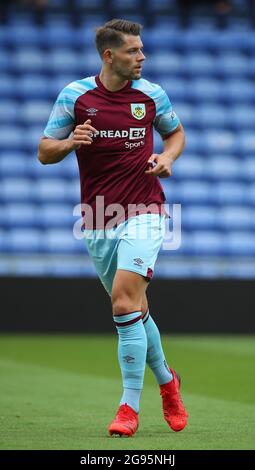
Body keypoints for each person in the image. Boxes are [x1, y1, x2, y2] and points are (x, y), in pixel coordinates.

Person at [38, 18, 188, 437]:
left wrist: (168, 158)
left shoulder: (152, 94)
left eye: (141, 50)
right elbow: (44, 152)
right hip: (97, 216)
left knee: (123, 303)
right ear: (109, 55)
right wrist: (71, 142)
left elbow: (176, 135)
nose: (142, 57)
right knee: (135, 309)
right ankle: (168, 383)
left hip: (146, 210)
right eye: (133, 51)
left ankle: (128, 407)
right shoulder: (76, 96)